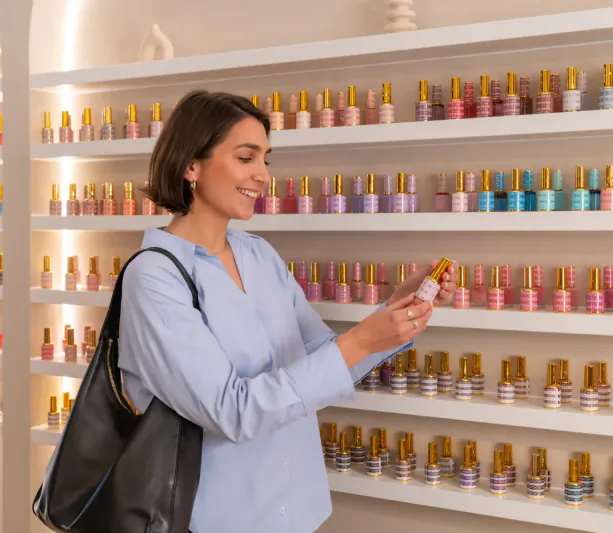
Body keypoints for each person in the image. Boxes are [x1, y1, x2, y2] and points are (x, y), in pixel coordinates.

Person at [118, 90, 455, 533]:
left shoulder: (259, 256)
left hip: (297, 512)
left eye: (266, 160)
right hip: (216, 522)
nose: (262, 176)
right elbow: (231, 411)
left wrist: (395, 314)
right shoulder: (153, 278)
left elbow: (325, 358)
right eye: (246, 157)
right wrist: (362, 340)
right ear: (190, 165)